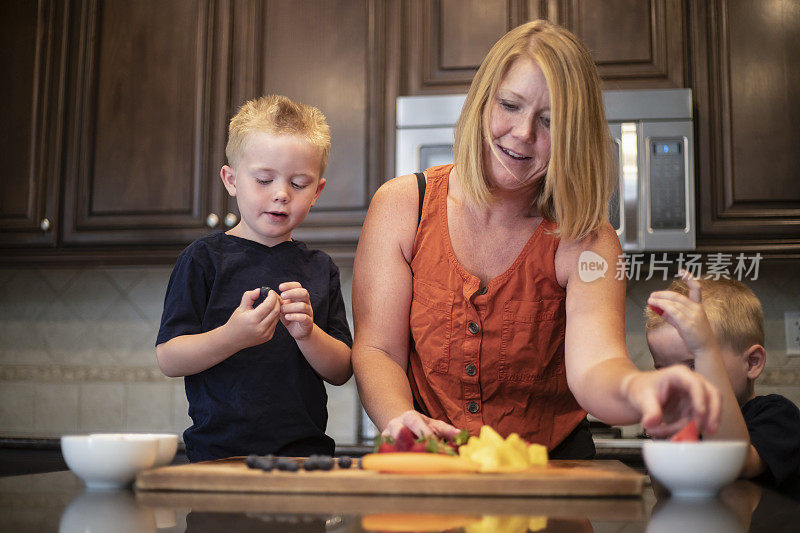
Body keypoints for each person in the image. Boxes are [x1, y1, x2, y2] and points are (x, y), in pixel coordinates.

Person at [352, 19, 722, 459]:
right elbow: (378, 350)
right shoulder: (401, 206)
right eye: (509, 105)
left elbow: (597, 366)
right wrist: (399, 419)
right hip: (428, 465)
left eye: (549, 121)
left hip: (551, 473)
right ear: (482, 101)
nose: (524, 132)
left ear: (573, 136)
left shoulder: (588, 241)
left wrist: (642, 386)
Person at [156, 95, 352, 462]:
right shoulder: (202, 259)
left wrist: (308, 334)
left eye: (299, 183)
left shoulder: (320, 267)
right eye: (264, 179)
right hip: (217, 459)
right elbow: (169, 358)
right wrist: (233, 336)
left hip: (304, 459)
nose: (281, 194)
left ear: (317, 192)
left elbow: (341, 370)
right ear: (231, 180)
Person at [646, 273, 800, 493]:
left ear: (752, 363)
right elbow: (664, 494)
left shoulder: (777, 416)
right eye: (663, 371)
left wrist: (704, 347)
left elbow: (733, 463)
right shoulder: (687, 425)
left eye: (694, 365)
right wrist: (663, 440)